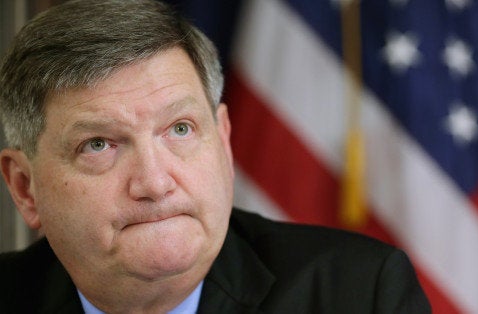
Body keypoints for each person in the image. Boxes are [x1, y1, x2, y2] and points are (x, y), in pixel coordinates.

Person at [0, 0, 431, 313]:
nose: (154, 182)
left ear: (223, 141)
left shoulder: (357, 293)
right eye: (98, 144)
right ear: (25, 188)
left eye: (180, 129)